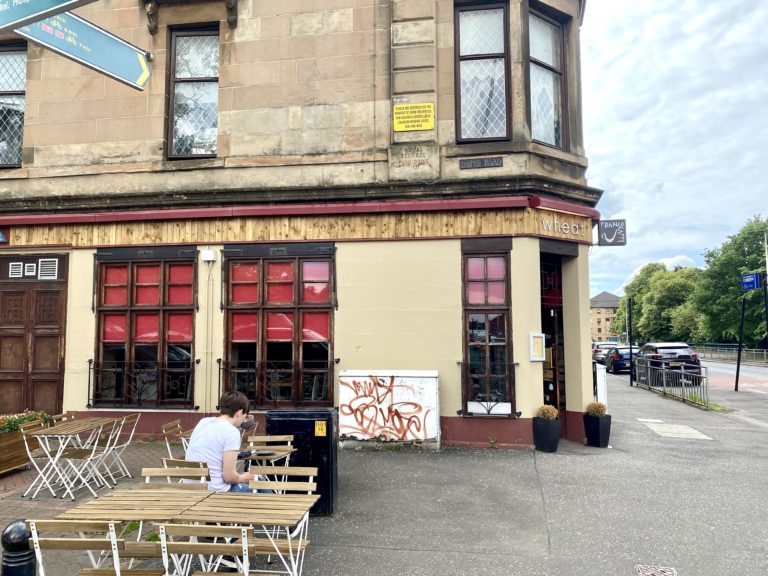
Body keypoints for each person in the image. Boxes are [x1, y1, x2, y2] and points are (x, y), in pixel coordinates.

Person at [185, 391, 254, 492]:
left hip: (191, 487)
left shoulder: (203, 422)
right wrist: (243, 477)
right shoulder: (232, 432)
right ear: (239, 413)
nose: (244, 418)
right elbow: (229, 477)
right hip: (215, 491)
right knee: (261, 485)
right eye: (245, 414)